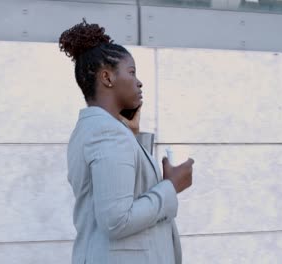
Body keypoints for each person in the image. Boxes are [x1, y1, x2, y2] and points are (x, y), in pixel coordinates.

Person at [60, 18, 195, 264]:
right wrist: (171, 187)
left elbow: (125, 187)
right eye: (131, 72)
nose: (139, 81)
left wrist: (131, 134)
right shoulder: (107, 134)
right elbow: (116, 220)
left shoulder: (97, 129)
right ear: (107, 78)